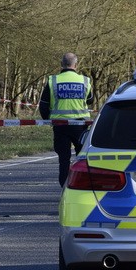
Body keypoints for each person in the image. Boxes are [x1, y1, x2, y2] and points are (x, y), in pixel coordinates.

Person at [39, 53, 95, 186]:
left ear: (61, 64)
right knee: (82, 158)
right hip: (80, 126)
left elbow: (43, 105)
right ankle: (83, 186)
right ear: (76, 64)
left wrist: (48, 119)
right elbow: (90, 100)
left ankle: (64, 187)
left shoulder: (53, 81)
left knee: (64, 160)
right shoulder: (85, 81)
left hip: (60, 126)